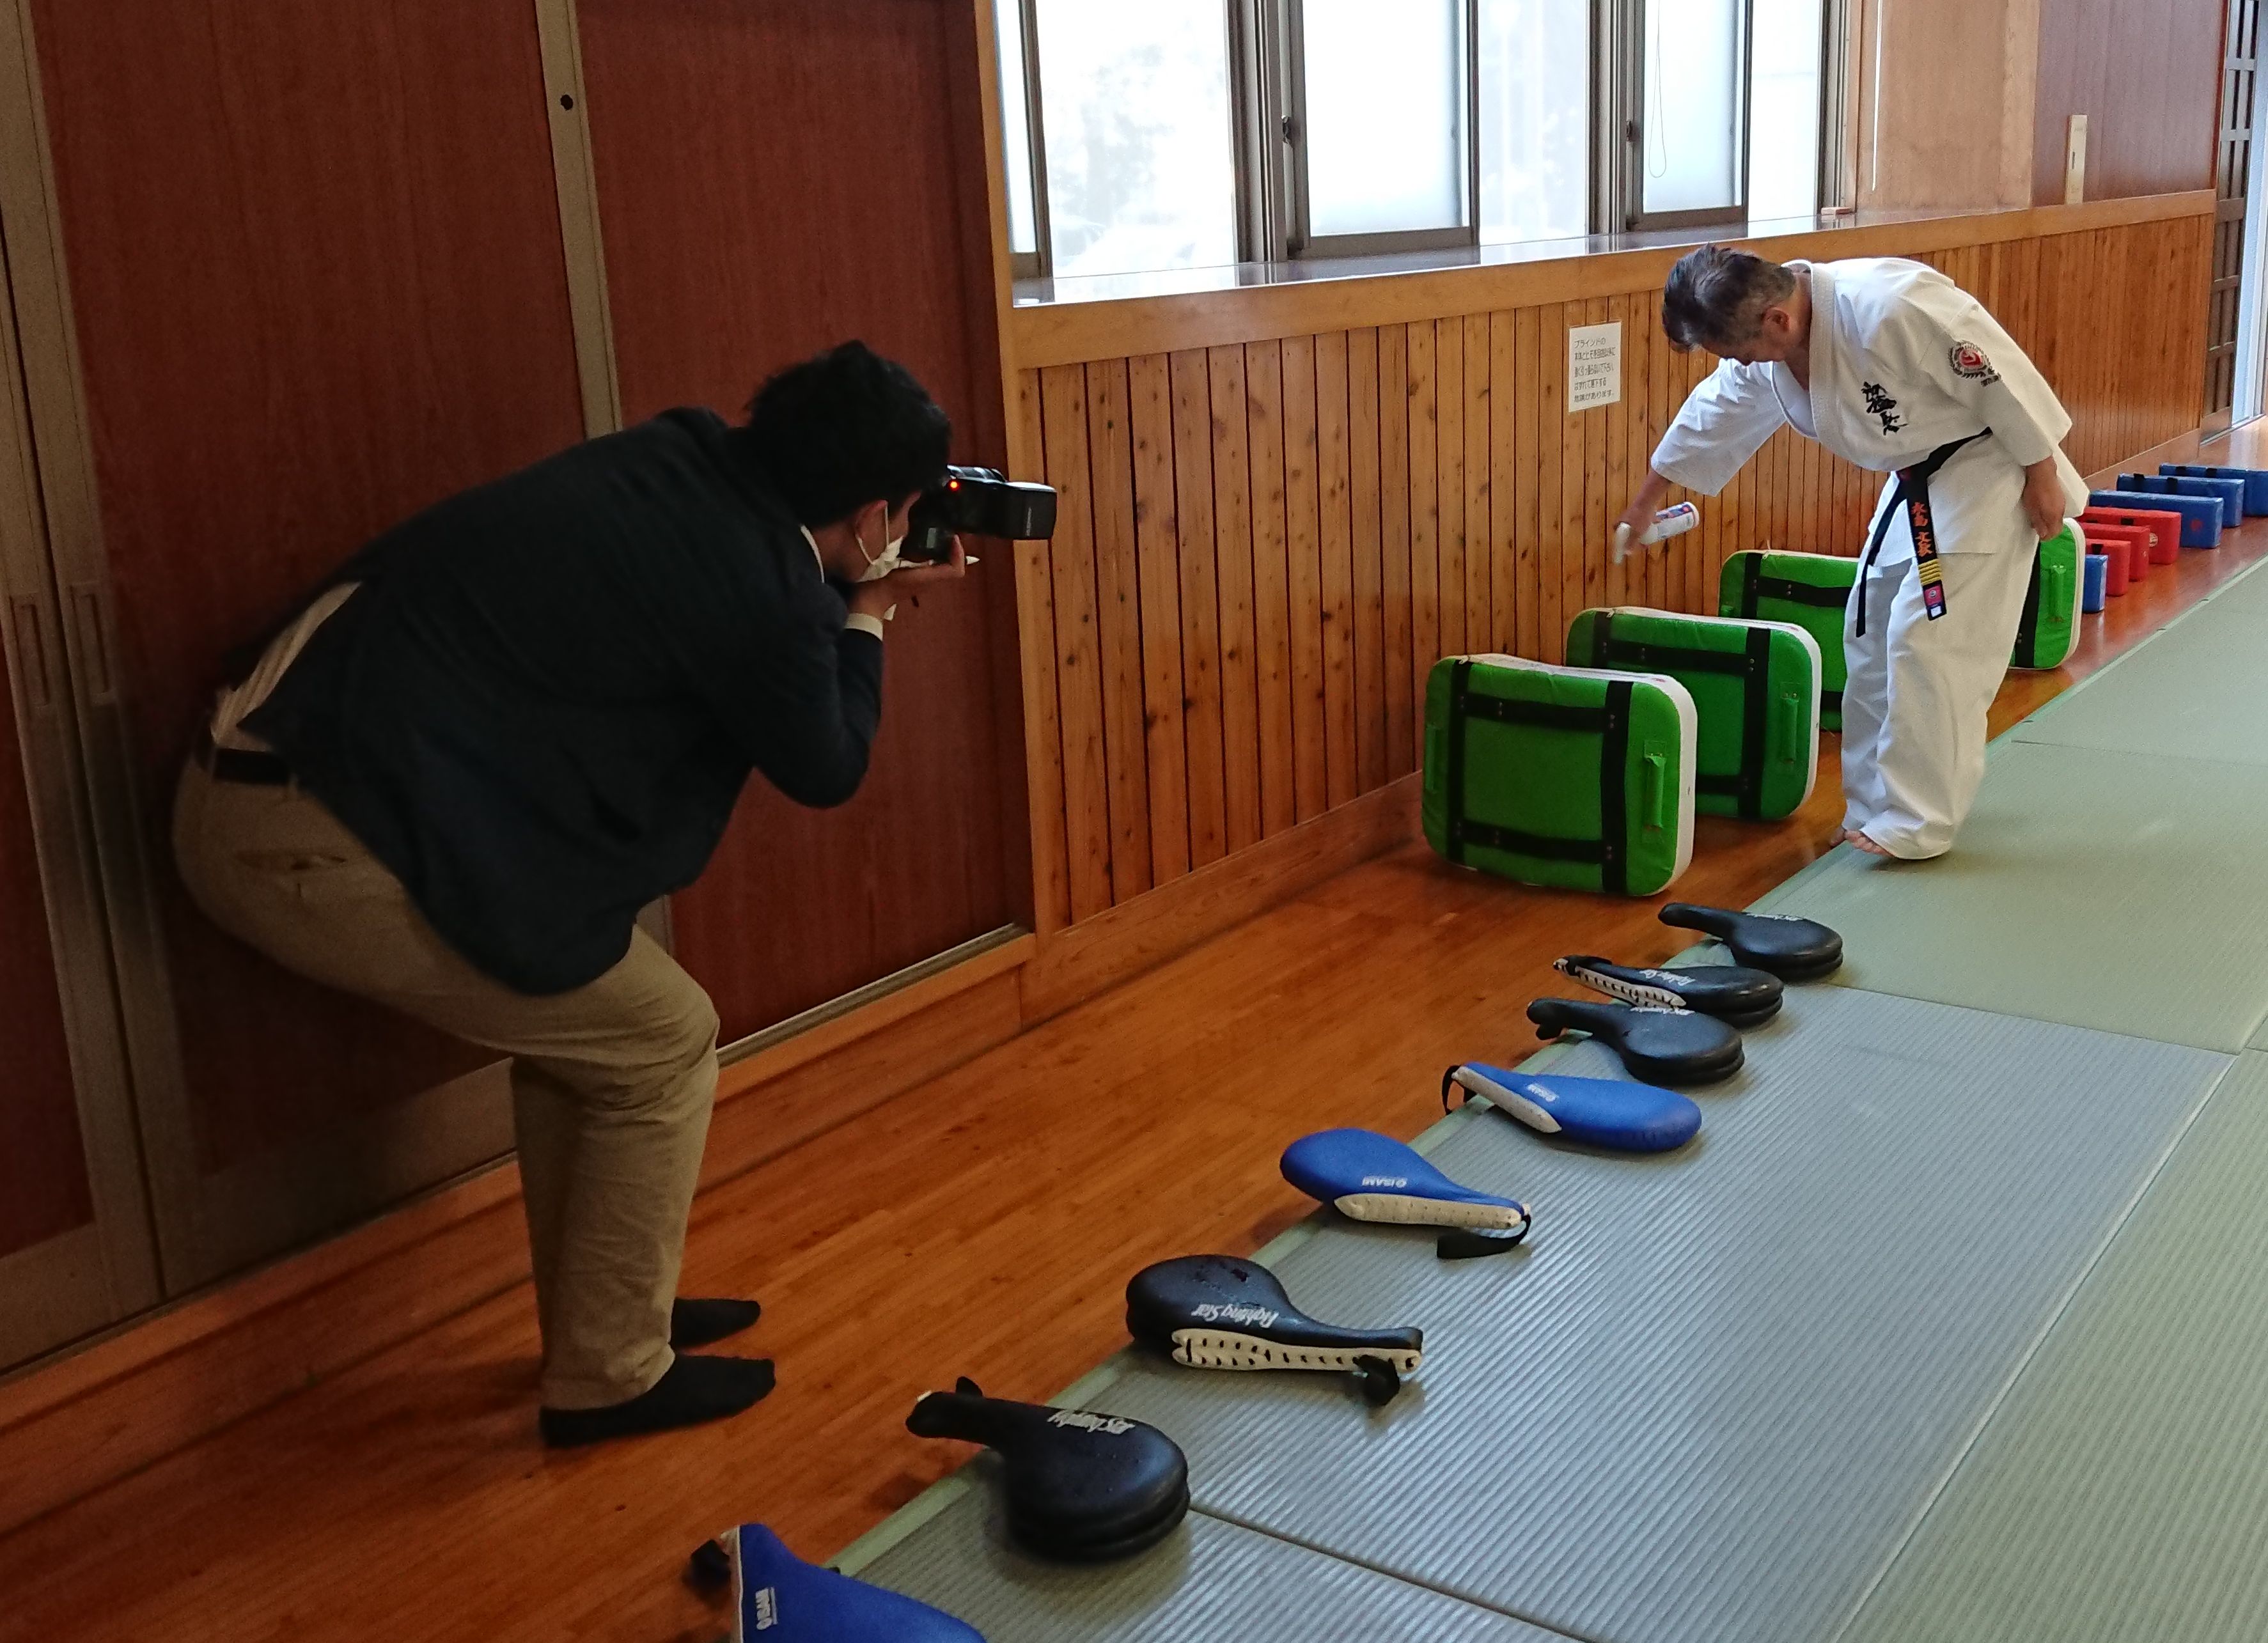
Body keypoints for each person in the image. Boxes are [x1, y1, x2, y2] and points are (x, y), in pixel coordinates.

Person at [173, 341, 966, 1447]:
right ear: (878, 511)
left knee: (588, 1040)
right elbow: (827, 765)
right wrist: (866, 617)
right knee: (662, 1037)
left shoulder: (681, 454)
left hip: (282, 768)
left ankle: (610, 1310)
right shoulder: (761, 581)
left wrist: (832, 591)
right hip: (307, 834)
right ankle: (610, 1375)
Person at [1616, 247, 2086, 860]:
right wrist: (1646, 499)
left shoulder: (1892, 305)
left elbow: (1998, 376)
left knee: (1930, 644)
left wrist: (2041, 474)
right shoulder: (1771, 328)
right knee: (1867, 635)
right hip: (1916, 477)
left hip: (1988, 468)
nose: (1738, 364)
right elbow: (1716, 411)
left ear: (1777, 321)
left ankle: (1920, 820)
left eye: (1738, 352)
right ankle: (1873, 807)